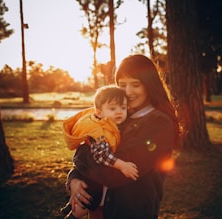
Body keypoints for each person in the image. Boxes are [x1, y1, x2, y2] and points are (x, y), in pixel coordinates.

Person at [65, 54, 180, 219]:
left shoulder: (159, 123)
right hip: (98, 210)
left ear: (149, 85)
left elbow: (116, 174)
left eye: (135, 84)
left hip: (129, 212)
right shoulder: (119, 117)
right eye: (122, 84)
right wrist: (74, 179)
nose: (128, 92)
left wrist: (87, 158)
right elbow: (87, 147)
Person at [61, 85, 139, 219]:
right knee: (86, 203)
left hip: (97, 175)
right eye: (113, 108)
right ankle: (72, 214)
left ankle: (70, 208)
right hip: (91, 176)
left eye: (123, 108)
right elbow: (101, 155)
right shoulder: (99, 131)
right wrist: (122, 165)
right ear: (99, 113)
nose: (119, 112)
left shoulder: (112, 126)